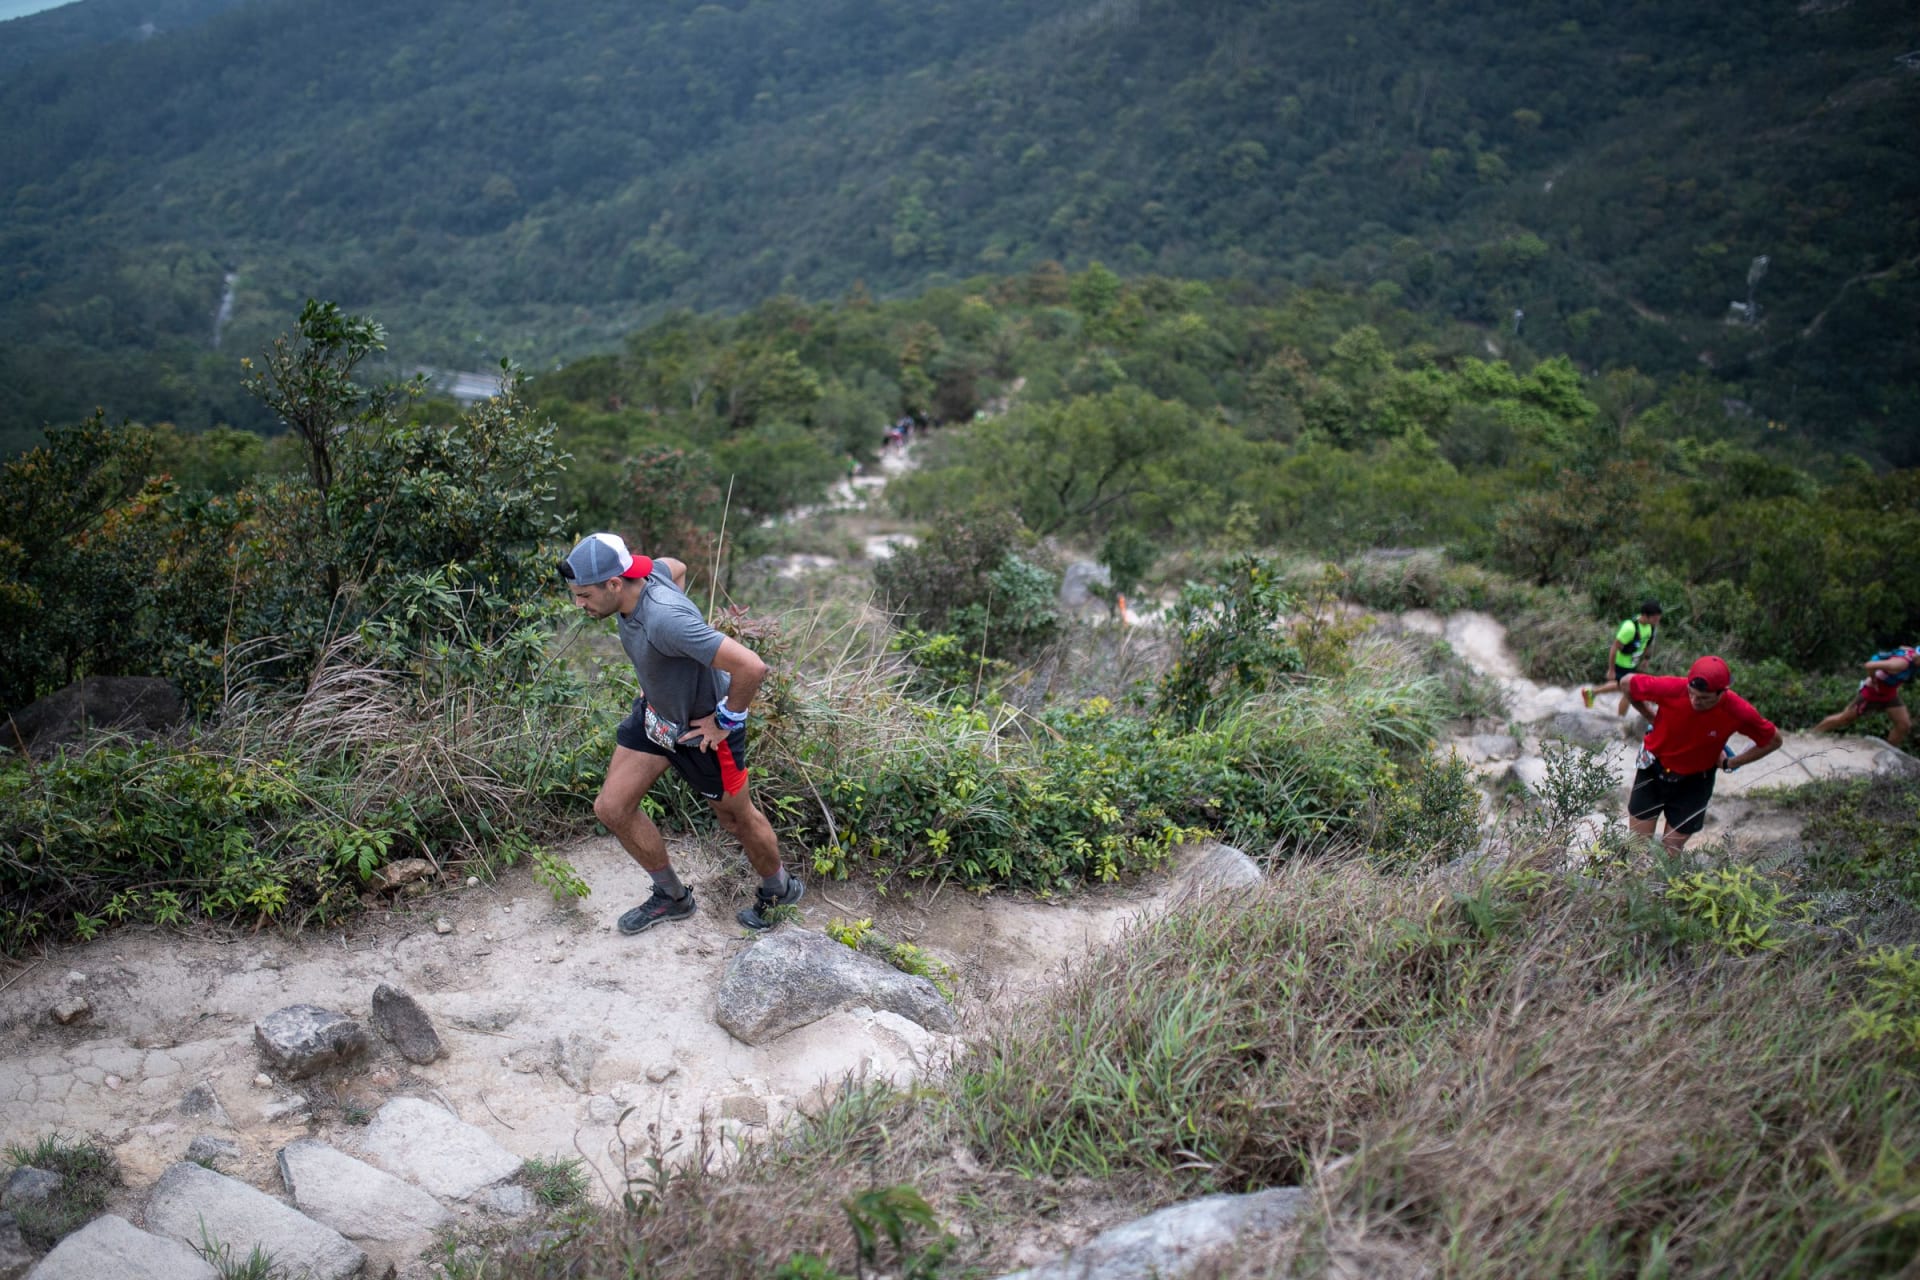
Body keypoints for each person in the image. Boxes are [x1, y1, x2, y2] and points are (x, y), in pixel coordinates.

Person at [558, 532, 804, 934]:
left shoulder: (665, 619)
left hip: (700, 731)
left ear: (615, 584)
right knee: (612, 807)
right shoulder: (647, 574)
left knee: (736, 820)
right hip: (657, 718)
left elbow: (752, 667)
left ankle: (780, 889)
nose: (578, 604)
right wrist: (661, 676)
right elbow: (677, 565)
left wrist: (725, 721)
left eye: (584, 595)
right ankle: (672, 897)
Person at [1622, 655, 1782, 853]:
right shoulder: (1672, 688)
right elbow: (1627, 682)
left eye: (1704, 698)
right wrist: (1650, 716)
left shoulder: (1737, 711)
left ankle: (1664, 884)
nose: (1695, 701)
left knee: (1672, 847)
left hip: (1696, 781)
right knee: (1637, 844)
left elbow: (1773, 740)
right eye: (1691, 693)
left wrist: (1731, 763)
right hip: (1654, 767)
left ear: (1722, 692)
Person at [1810, 644, 1916, 748]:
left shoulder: (1912, 653)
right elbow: (1869, 665)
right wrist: (1873, 679)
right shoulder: (1901, 664)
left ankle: (1888, 751)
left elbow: (1902, 648)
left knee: (1904, 725)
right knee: (1844, 718)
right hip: (1872, 692)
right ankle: (1811, 735)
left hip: (1889, 694)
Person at [1582, 601, 1662, 717]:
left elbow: (1646, 644)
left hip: (1632, 664)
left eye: (1658, 619)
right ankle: (1620, 719)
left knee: (1620, 686)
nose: (1657, 622)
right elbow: (1614, 647)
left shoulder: (1650, 627)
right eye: (1655, 619)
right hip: (1622, 664)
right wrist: (1611, 669)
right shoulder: (1629, 628)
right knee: (1629, 693)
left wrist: (1646, 659)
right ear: (1645, 615)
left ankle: (1591, 693)